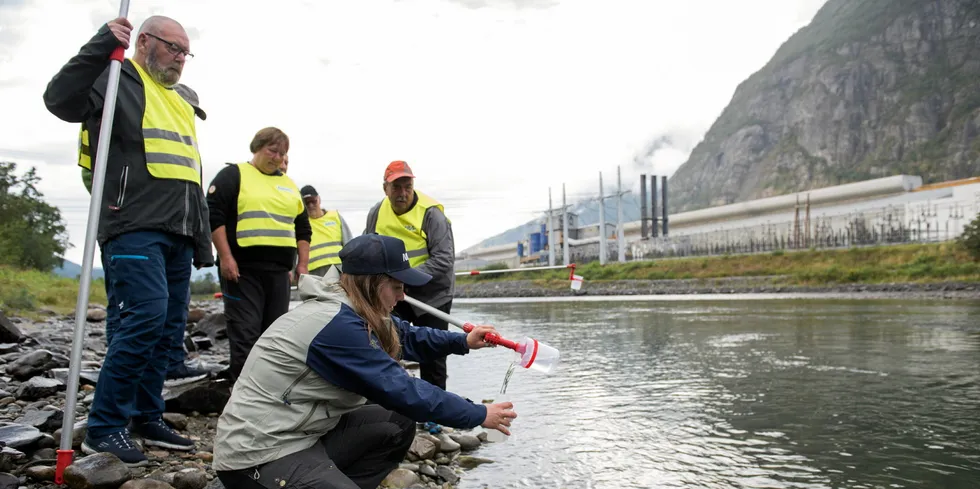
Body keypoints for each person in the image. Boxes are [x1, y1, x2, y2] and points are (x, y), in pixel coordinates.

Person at [213, 233, 517, 489]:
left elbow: (407, 337)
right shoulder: (335, 325)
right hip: (257, 455)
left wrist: (463, 341)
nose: (402, 296)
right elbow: (403, 390)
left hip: (301, 436)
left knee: (395, 423)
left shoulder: (355, 309)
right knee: (399, 406)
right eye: (397, 287)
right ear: (372, 283)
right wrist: (478, 413)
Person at [44, 15, 213, 465]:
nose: (180, 57)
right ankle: (104, 426)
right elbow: (60, 99)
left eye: (185, 51)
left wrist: (201, 238)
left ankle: (145, 414)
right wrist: (102, 44)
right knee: (143, 319)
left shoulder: (181, 99)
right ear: (144, 42)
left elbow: (189, 174)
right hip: (133, 222)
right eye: (173, 47)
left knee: (167, 331)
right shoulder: (116, 75)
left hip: (178, 230)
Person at [79, 82, 211, 387]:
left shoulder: (186, 145)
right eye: (186, 108)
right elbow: (94, 173)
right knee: (136, 314)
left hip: (178, 235)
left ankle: (166, 371)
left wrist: (201, 247)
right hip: (131, 227)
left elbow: (195, 196)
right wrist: (125, 208)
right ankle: (120, 392)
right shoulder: (127, 121)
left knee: (169, 314)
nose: (188, 115)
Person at [205, 127, 311, 382]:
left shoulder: (288, 185)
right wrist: (226, 257)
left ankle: (267, 388)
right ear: (257, 148)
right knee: (245, 331)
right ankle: (241, 393)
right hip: (242, 270)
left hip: (278, 272)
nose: (276, 157)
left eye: (282, 153)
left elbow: (302, 228)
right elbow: (214, 216)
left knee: (274, 333)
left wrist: (302, 265)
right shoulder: (234, 175)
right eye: (272, 151)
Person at [364, 161, 456, 392]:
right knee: (386, 345)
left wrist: (408, 278)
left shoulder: (431, 214)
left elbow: (444, 258)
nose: (403, 193)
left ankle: (436, 411)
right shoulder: (376, 213)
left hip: (433, 294)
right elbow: (369, 249)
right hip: (393, 294)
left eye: (408, 186)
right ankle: (393, 400)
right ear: (385, 188)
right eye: (396, 187)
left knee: (433, 353)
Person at [301, 184, 353, 277]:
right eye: (306, 203)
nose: (310, 205)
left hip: (339, 270)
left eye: (313, 201)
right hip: (313, 274)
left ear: (319, 199)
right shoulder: (302, 224)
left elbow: (349, 244)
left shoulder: (335, 217)